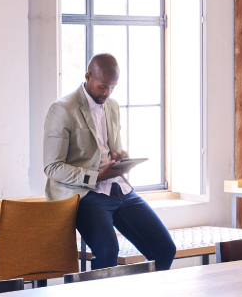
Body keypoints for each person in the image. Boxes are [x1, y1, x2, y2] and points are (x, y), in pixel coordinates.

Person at [43, 53, 176, 271]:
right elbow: (52, 167)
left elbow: (112, 150)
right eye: (103, 87)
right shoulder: (63, 109)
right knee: (108, 253)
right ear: (88, 77)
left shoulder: (111, 106)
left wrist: (120, 158)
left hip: (118, 188)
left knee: (165, 249)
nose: (107, 93)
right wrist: (96, 176)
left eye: (112, 88)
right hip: (85, 194)